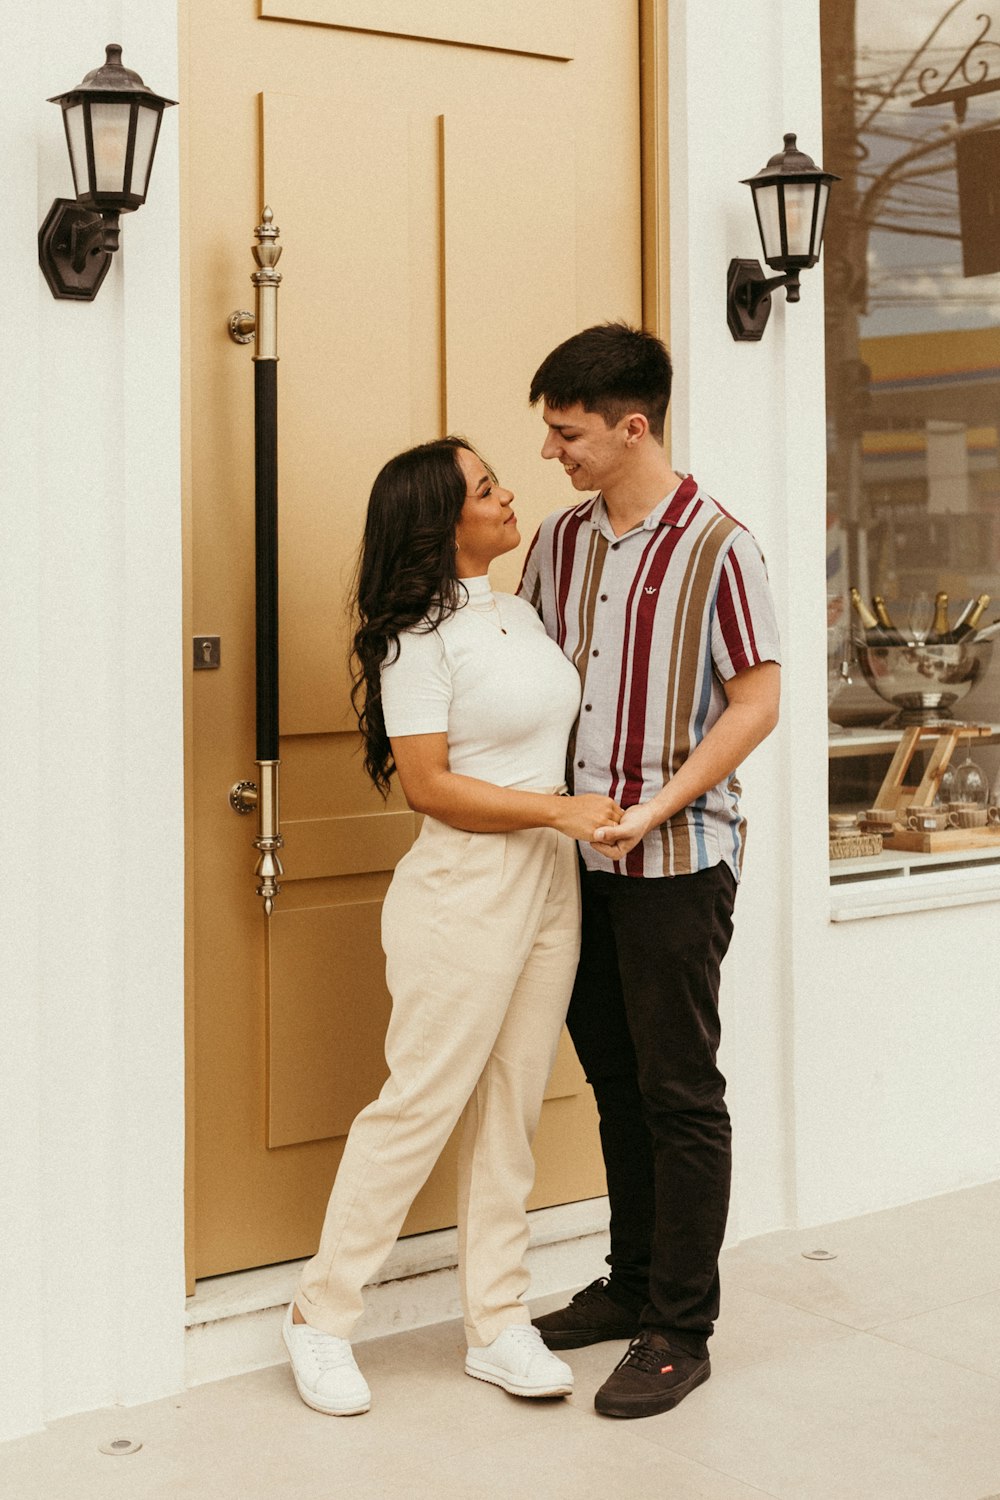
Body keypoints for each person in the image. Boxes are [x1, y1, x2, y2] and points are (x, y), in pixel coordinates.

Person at [282, 435, 623, 1416]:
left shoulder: (516, 611)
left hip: (549, 878)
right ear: (442, 523)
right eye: (486, 488)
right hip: (464, 886)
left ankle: (497, 1322)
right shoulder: (414, 641)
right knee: (421, 1103)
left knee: (511, 1104)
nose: (509, 493)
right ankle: (321, 1314)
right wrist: (560, 811)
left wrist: (569, 821)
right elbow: (429, 787)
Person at [519, 322, 781, 1420]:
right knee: (615, 1083)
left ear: (633, 428)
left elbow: (756, 701)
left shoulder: (723, 547)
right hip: (572, 869)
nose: (551, 451)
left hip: (678, 861)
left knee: (680, 1093)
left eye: (567, 432)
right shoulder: (556, 545)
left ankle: (680, 1324)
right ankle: (629, 1285)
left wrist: (654, 809)